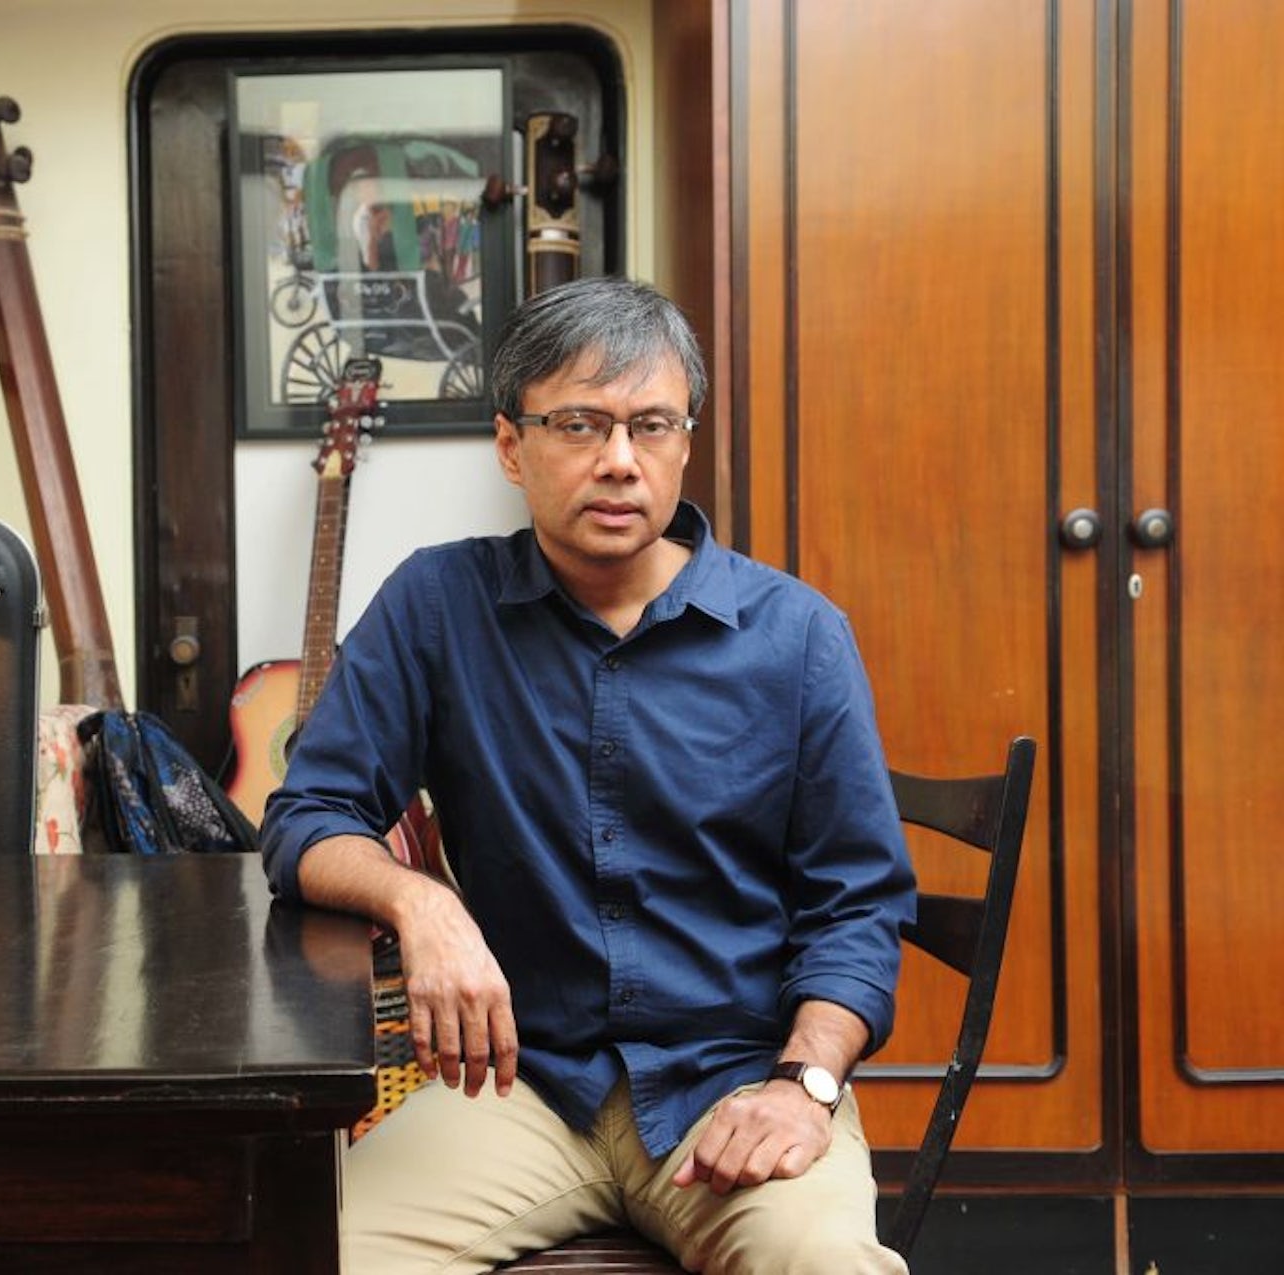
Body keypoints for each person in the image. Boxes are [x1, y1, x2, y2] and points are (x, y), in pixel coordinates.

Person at [259, 275, 916, 1274]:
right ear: (512, 447)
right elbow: (309, 813)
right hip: (519, 1084)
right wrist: (421, 907)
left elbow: (858, 907)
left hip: (734, 1084)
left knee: (826, 1266)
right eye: (580, 424)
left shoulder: (797, 637)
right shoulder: (438, 606)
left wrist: (805, 1086)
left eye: (650, 426)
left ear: (684, 443)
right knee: (321, 1258)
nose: (620, 461)